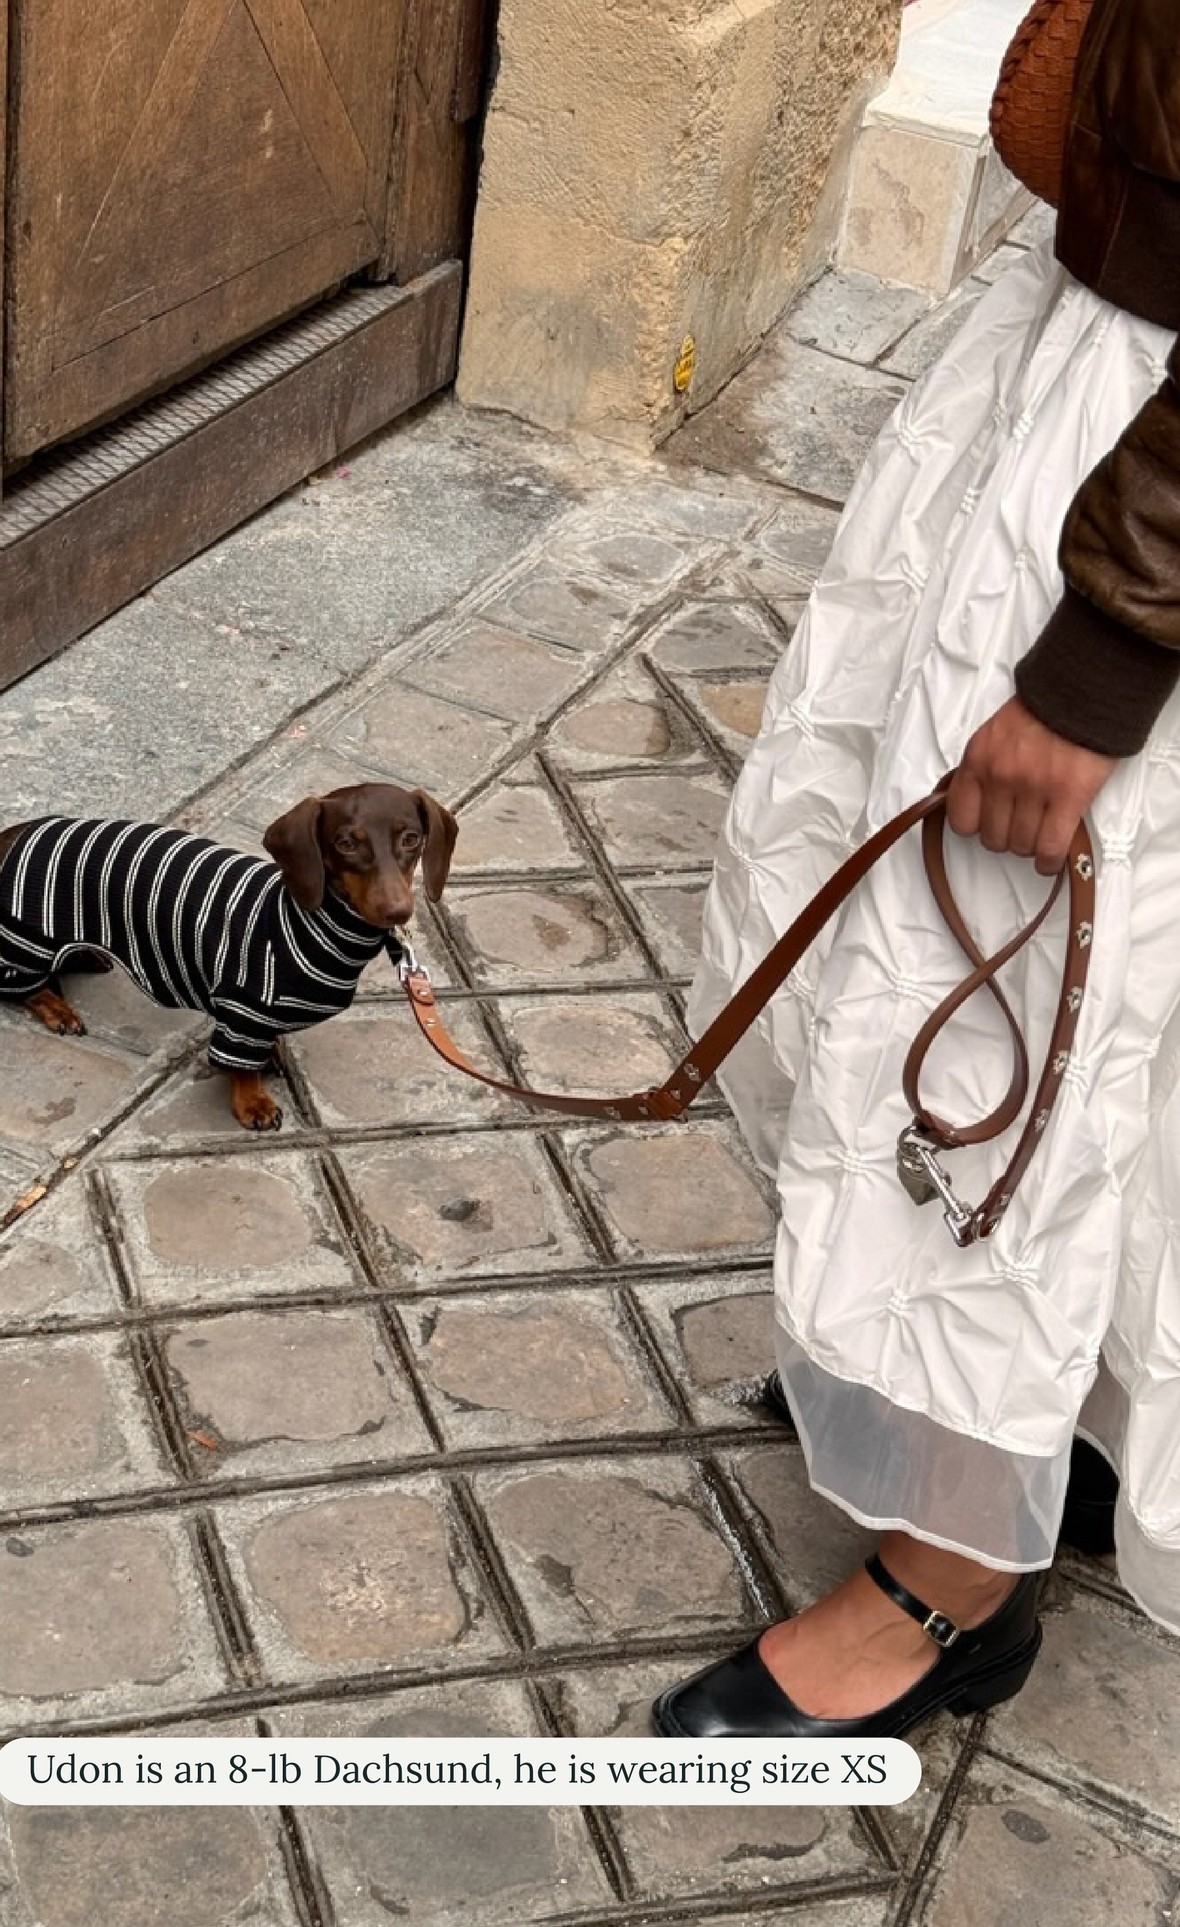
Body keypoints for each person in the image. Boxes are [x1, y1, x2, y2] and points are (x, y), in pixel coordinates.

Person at [654, 0, 1180, 1740]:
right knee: (1111, 1019)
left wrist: (1105, 653)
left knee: (1015, 1001)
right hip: (1095, 381)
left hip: (1141, 495)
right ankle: (1056, 1430)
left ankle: (952, 1580)